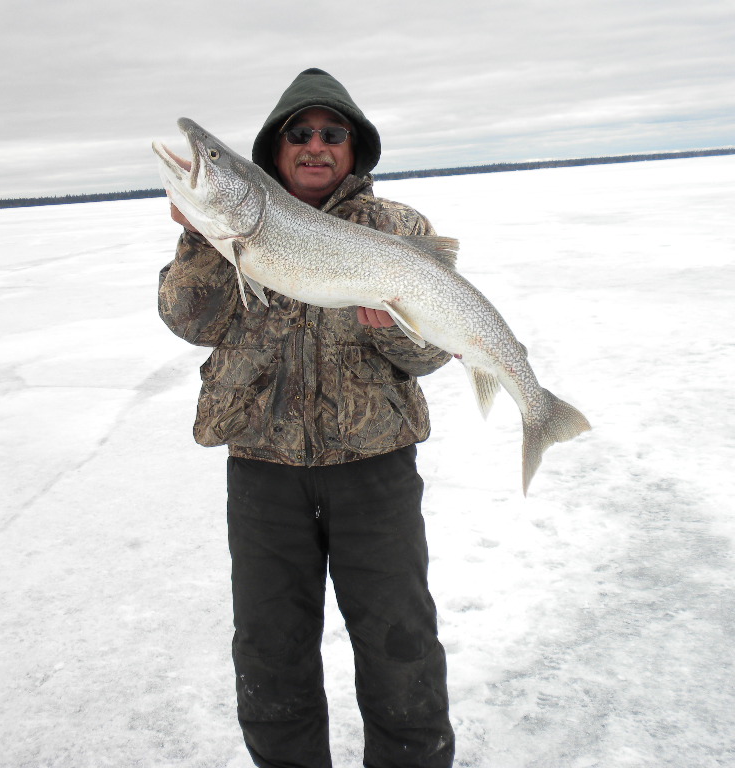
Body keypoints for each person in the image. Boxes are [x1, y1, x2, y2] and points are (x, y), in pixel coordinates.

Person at [158, 68, 455, 768]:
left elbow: (434, 353)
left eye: (332, 134)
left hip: (374, 472)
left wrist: (388, 328)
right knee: (270, 652)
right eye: (300, 133)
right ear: (274, 146)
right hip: (263, 473)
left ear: (355, 149)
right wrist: (205, 235)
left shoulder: (399, 228)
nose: (315, 146)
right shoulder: (231, 223)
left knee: (401, 644)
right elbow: (190, 321)